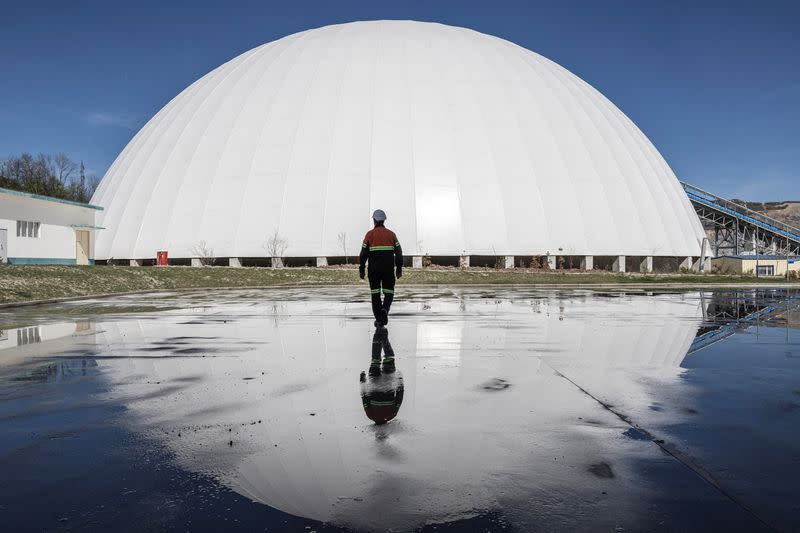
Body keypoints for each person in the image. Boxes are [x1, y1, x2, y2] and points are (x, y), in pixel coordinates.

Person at [359, 209, 403, 327]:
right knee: (389, 293)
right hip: (388, 270)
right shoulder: (392, 235)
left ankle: (379, 319)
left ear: (374, 220)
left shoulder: (369, 235)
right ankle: (385, 310)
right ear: (384, 220)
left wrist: (361, 269)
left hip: (374, 271)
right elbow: (399, 252)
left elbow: (363, 253)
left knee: (375, 294)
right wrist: (399, 268)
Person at [359, 327, 404, 425]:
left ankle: (383, 335)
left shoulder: (392, 415)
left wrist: (400, 381)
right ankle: (377, 333)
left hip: (388, 382)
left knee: (389, 357)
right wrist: (362, 380)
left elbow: (399, 398)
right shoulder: (370, 415)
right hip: (374, 382)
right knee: (375, 358)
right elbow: (364, 398)